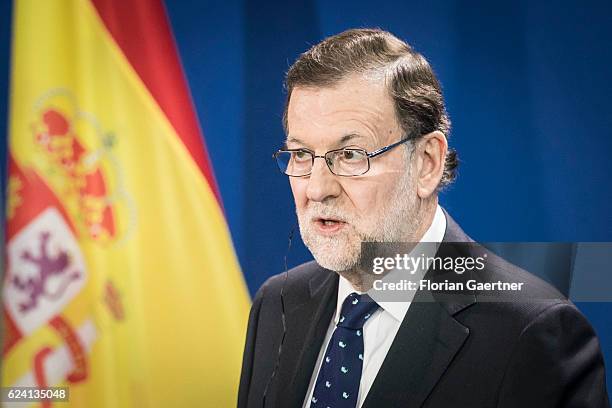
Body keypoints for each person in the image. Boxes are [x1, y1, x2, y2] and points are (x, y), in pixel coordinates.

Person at [237, 28, 609, 408]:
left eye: (350, 155)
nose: (317, 189)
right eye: (300, 154)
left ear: (427, 163)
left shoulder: (534, 333)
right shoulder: (277, 302)